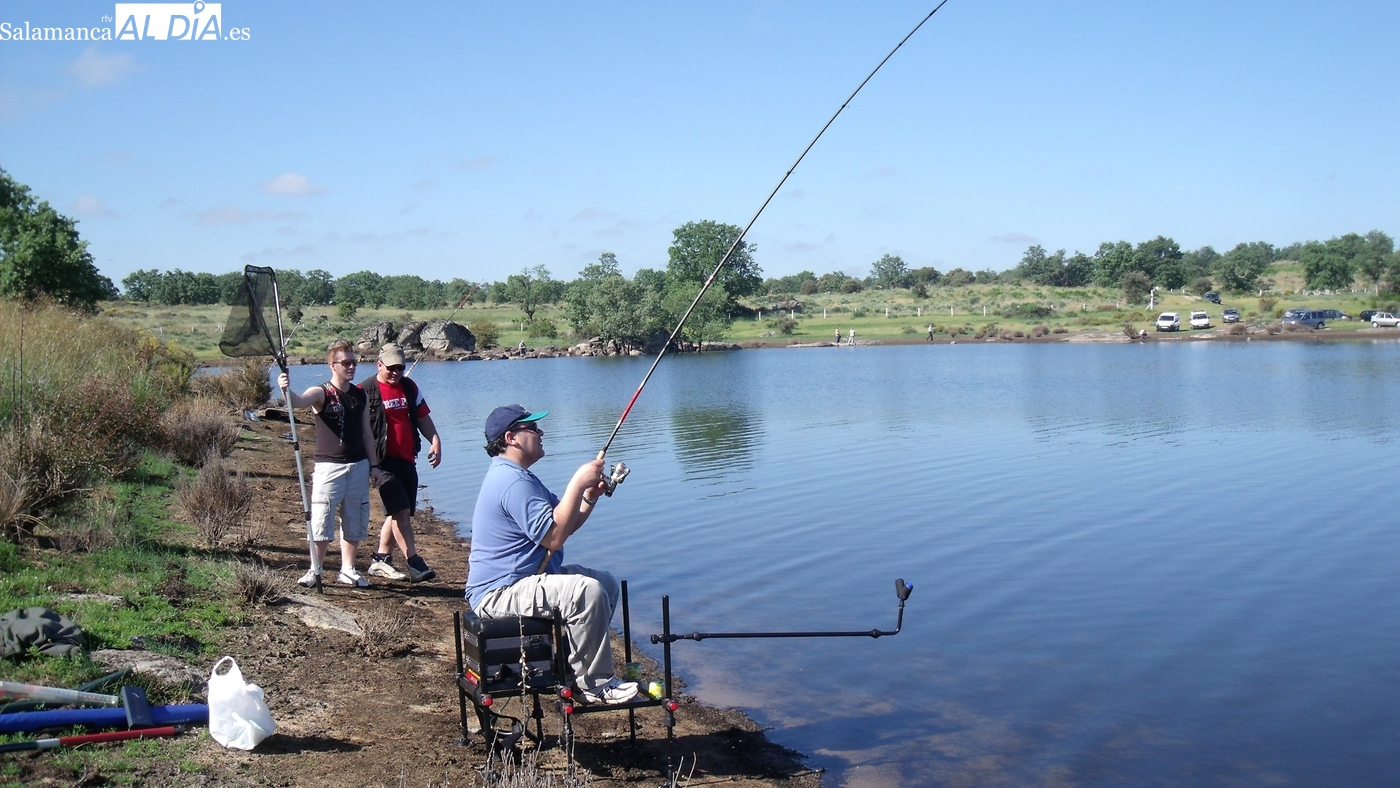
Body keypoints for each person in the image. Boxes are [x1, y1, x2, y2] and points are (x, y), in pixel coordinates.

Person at [465, 405, 639, 705]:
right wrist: (576, 481)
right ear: (512, 438)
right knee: (586, 592)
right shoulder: (512, 482)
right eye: (533, 428)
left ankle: (573, 672)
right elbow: (555, 539)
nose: (541, 432)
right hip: (498, 593)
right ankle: (596, 685)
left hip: (525, 581)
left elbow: (564, 524)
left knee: (605, 584)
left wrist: (587, 497)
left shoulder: (521, 477)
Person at [279, 340, 384, 588]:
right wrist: (285, 390)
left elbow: (367, 433)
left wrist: (375, 465)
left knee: (354, 519)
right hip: (329, 468)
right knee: (321, 519)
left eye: (354, 363)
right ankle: (315, 570)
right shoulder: (321, 392)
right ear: (332, 365)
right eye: (345, 363)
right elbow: (298, 401)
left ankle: (348, 570)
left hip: (358, 467)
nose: (351, 367)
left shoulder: (360, 394)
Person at [361, 344, 442, 583]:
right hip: (382, 463)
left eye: (400, 368)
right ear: (379, 364)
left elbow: (422, 417)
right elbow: (357, 429)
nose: (396, 372)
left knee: (398, 513)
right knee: (401, 512)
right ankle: (414, 563)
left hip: (408, 460)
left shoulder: (409, 387)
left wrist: (435, 440)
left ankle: (381, 559)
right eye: (391, 368)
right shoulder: (364, 390)